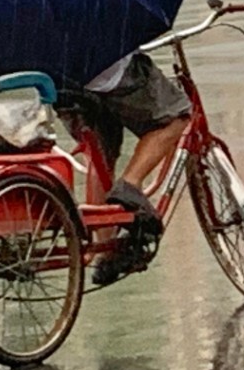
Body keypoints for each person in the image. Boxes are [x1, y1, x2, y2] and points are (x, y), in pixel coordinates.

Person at [56, 53, 190, 283]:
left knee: (100, 154)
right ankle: (131, 183)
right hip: (109, 72)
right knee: (176, 117)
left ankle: (105, 248)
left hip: (63, 82)